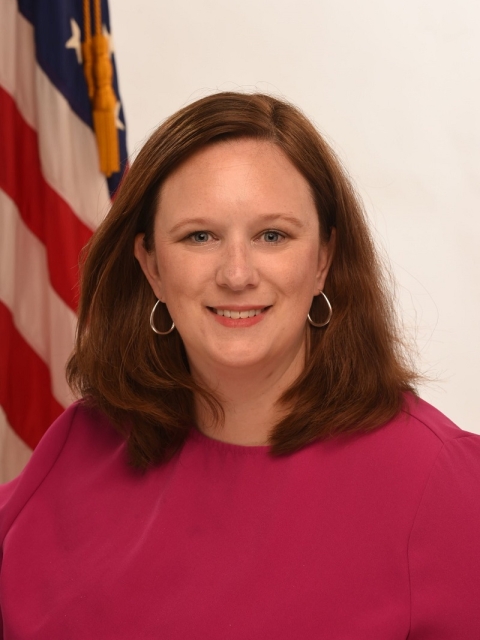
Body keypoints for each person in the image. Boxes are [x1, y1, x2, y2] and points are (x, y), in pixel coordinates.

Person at [1, 92, 479, 639]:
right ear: (151, 266)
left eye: (272, 235)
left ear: (323, 259)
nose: (236, 273)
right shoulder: (82, 444)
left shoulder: (441, 488)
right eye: (199, 236)